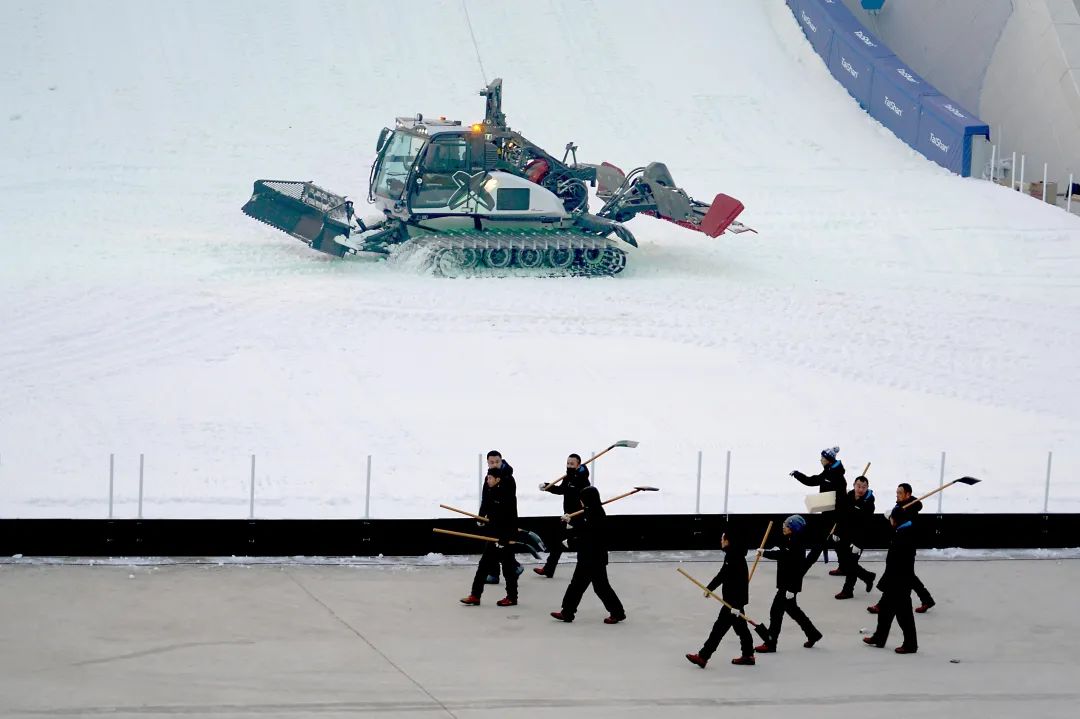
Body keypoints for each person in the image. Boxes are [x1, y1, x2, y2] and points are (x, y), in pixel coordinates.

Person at [550, 486, 626, 624]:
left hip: (593, 558)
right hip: (588, 556)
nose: (581, 502)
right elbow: (583, 527)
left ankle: (617, 613)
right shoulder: (590, 510)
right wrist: (570, 521)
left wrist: (571, 542)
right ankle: (567, 612)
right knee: (579, 586)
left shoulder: (596, 515)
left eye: (582, 499)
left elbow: (589, 537)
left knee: (599, 587)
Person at [685, 530, 756, 668]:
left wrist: (736, 605)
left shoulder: (735, 557)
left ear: (729, 541)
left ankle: (703, 656)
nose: (721, 541)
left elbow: (741, 582)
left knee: (718, 629)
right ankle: (748, 655)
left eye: (723, 539)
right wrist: (709, 588)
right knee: (742, 629)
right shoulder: (732, 555)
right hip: (734, 601)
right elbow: (723, 574)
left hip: (733, 602)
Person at [755, 515, 823, 653]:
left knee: (776, 612)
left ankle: (771, 643)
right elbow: (782, 551)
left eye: (786, 526)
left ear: (794, 528)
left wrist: (764, 553)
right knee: (793, 610)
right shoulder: (791, 539)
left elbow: (786, 558)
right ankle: (813, 634)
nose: (783, 527)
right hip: (785, 583)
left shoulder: (797, 544)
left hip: (789, 585)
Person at [868, 483, 935, 614]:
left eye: (900, 493)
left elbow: (899, 525)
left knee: (892, 576)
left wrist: (892, 517)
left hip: (905, 550)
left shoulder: (912, 510)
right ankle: (927, 599)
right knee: (909, 577)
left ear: (908, 494)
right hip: (896, 546)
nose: (897, 495)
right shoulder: (900, 506)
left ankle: (882, 605)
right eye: (897, 492)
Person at [460, 466, 519, 607]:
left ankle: (512, 597)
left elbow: (512, 519)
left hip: (506, 537)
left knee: (508, 569)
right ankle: (475, 595)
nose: (487, 480)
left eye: (490, 478)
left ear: (498, 480)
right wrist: (481, 519)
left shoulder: (507, 495)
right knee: (483, 566)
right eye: (487, 478)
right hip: (493, 535)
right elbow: (485, 506)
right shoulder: (488, 489)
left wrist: (504, 539)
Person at [863, 504, 918, 654]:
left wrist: (887, 582)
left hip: (900, 582)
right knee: (885, 612)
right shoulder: (902, 531)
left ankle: (910, 644)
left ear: (896, 520)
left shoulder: (903, 537)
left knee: (904, 616)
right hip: (895, 581)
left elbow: (897, 564)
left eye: (891, 519)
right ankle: (879, 638)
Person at [535, 453, 591, 578]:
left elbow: (586, 502)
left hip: (578, 517)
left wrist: (574, 517)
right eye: (568, 463)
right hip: (567, 516)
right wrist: (548, 486)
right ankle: (548, 569)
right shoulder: (568, 477)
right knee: (557, 543)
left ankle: (587, 570)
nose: (569, 466)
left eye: (572, 464)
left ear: (578, 465)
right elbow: (561, 490)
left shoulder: (583, 480)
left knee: (580, 544)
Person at [791, 446, 848, 567]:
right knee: (836, 543)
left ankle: (803, 567)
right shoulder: (828, 471)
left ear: (828, 459)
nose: (820, 460)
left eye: (822, 458)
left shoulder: (837, 476)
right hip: (827, 513)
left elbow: (842, 500)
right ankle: (845, 566)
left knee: (820, 543)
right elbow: (813, 480)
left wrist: (838, 520)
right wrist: (798, 475)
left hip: (834, 517)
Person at [832, 475, 877, 599]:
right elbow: (842, 516)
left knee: (851, 564)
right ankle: (868, 576)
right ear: (854, 485)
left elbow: (865, 526)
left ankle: (848, 591)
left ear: (867, 488)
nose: (861, 489)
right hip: (845, 535)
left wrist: (858, 543)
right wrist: (837, 531)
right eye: (858, 486)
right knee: (847, 564)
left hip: (858, 538)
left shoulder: (869, 503)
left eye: (864, 487)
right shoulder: (849, 496)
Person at [483, 450, 523, 585]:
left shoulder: (508, 479)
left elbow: (508, 505)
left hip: (506, 519)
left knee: (503, 546)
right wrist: (481, 516)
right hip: (493, 519)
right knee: (491, 544)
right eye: (491, 462)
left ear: (502, 461)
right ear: (488, 463)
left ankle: (514, 568)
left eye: (497, 462)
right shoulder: (489, 477)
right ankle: (494, 574)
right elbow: (486, 499)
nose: (494, 464)